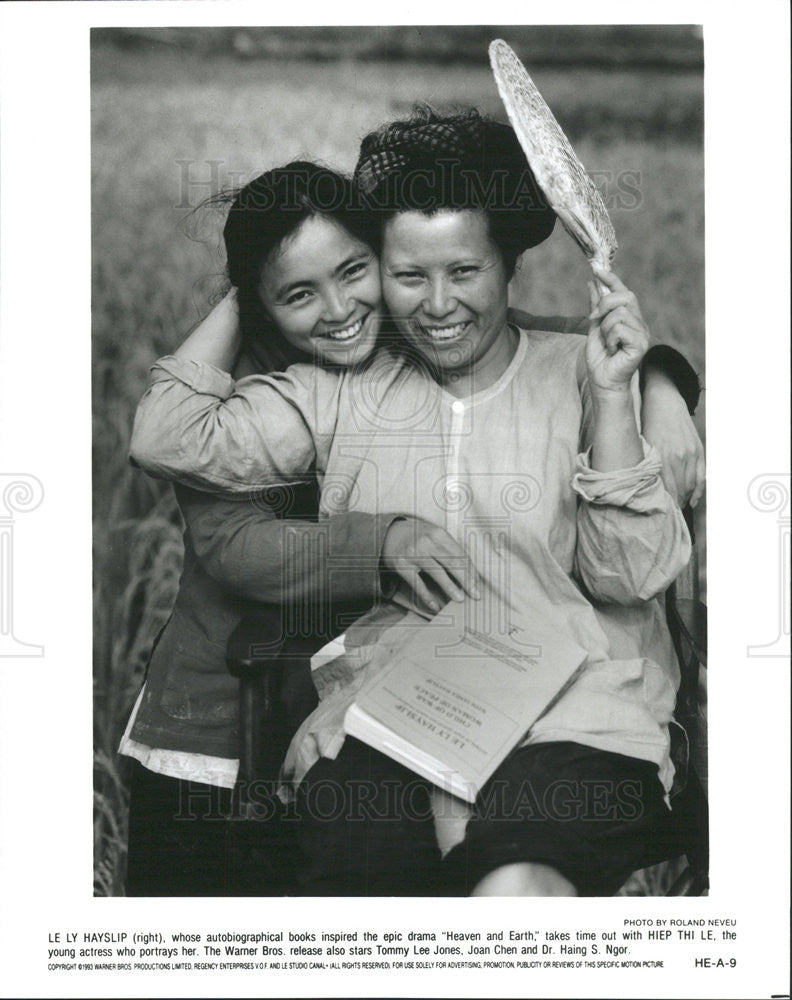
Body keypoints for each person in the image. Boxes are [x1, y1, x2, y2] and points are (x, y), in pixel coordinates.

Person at [129, 120, 702, 895]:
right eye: (409, 276)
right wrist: (251, 273)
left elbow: (631, 575)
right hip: (402, 710)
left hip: (577, 711)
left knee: (518, 880)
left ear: (508, 268)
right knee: (353, 863)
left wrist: (622, 390)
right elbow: (168, 436)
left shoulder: (579, 374)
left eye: (464, 270)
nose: (438, 306)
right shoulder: (340, 389)